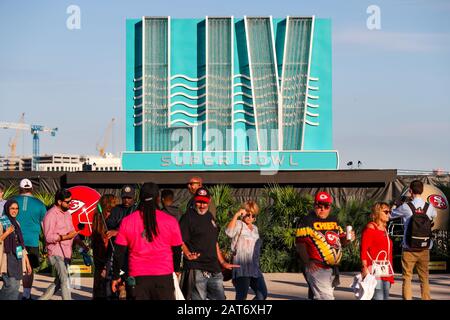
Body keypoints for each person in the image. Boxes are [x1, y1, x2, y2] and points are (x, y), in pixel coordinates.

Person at [111, 182, 183, 300]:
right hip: (163, 277)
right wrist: (176, 270)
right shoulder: (170, 221)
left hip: (138, 279)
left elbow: (119, 253)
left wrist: (115, 276)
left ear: (139, 199)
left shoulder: (128, 221)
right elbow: (176, 249)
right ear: (158, 199)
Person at [179, 187, 238, 300]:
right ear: (195, 200)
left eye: (204, 202)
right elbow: (179, 239)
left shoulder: (210, 217)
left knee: (220, 298)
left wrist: (222, 262)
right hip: (196, 267)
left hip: (213, 267)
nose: (202, 205)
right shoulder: (187, 217)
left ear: (209, 201)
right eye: (199, 202)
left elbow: (214, 241)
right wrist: (187, 253)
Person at [295, 191, 355, 300]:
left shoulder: (334, 220)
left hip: (331, 268)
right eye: (319, 206)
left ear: (330, 207)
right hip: (317, 267)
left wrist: (348, 239)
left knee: (316, 296)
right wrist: (307, 262)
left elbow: (341, 242)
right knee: (326, 297)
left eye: (326, 206)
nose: (322, 209)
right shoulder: (307, 220)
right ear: (314, 206)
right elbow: (300, 244)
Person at [39, 189, 89, 300]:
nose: (70, 204)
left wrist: (81, 244)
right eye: (67, 202)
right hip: (55, 252)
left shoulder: (67, 214)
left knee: (59, 281)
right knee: (65, 280)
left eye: (71, 201)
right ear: (59, 201)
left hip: (66, 253)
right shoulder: (50, 215)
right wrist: (64, 237)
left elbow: (72, 232)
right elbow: (48, 237)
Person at [391, 180, 437, 300]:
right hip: (424, 248)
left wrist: (396, 204)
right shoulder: (429, 207)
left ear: (410, 191)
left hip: (409, 248)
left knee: (407, 277)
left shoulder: (406, 207)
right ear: (422, 191)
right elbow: (434, 215)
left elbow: (391, 215)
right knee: (424, 277)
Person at [225, 200, 267, 300]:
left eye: (253, 216)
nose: (250, 217)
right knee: (241, 297)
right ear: (243, 213)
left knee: (262, 294)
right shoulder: (239, 224)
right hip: (241, 268)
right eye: (248, 214)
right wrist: (236, 215)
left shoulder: (255, 229)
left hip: (254, 268)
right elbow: (229, 232)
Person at [13, 178, 47, 300]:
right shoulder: (40, 204)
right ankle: (26, 295)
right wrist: (47, 242)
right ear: (32, 188)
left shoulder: (12, 201)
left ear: (20, 188)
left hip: (14, 241)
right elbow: (45, 225)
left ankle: (12, 293)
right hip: (32, 242)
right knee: (29, 268)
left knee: (15, 267)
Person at [105, 185, 138, 299]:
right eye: (124, 197)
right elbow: (109, 225)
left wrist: (118, 231)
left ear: (134, 197)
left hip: (132, 252)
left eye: (129, 198)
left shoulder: (137, 210)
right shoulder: (116, 209)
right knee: (112, 280)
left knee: (131, 283)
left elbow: (136, 229)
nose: (126, 200)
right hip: (117, 250)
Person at [360, 202, 394, 300]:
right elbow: (364, 249)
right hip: (373, 269)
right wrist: (364, 267)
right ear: (378, 212)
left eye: (389, 212)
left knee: (385, 297)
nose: (389, 214)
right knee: (378, 296)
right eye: (386, 212)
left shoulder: (384, 229)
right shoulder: (371, 228)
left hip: (385, 270)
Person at [0, 200, 32, 300]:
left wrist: (27, 262)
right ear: (7, 209)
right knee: (10, 285)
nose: (15, 211)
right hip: (7, 257)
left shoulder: (17, 223)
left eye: (16, 208)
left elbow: (21, 244)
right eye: (12, 208)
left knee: (16, 285)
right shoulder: (1, 222)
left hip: (17, 258)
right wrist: (7, 232)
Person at [91, 194, 118, 300]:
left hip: (101, 252)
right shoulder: (103, 216)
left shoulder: (98, 215)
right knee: (104, 280)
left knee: (100, 279)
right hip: (105, 252)